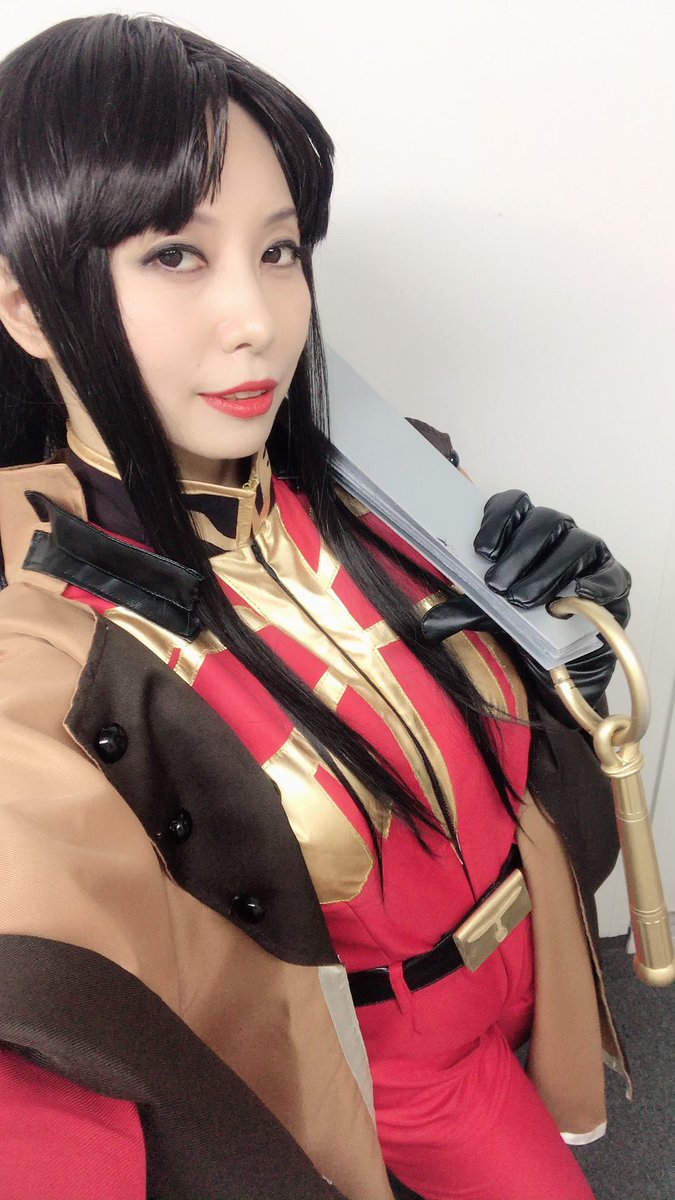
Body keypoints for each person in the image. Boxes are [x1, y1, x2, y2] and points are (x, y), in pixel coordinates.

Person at [0, 14, 631, 1200]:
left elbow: (512, 744)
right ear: (31, 305)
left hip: (539, 957)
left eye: (280, 250)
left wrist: (565, 642)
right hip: (389, 1058)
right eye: (175, 255)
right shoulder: (46, 654)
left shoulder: (396, 488)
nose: (259, 317)